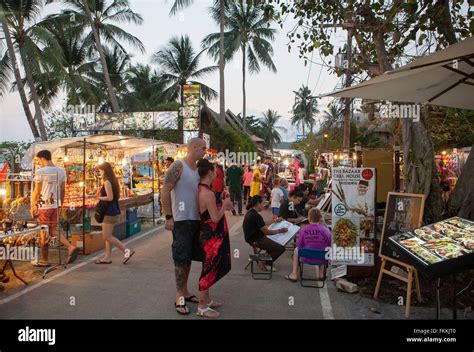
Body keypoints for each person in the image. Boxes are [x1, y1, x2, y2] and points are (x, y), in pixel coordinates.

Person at [161, 137, 207, 315]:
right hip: (181, 220)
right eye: (202, 148)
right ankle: (179, 296)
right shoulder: (178, 166)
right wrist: (168, 217)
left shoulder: (198, 169)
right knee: (180, 258)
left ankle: (186, 291)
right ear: (193, 147)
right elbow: (165, 189)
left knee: (188, 258)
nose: (205, 151)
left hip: (197, 220)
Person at [196, 159, 232, 318]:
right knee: (208, 268)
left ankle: (207, 300)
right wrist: (224, 204)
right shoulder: (207, 193)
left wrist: (222, 203)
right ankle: (201, 306)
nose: (216, 176)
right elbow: (215, 217)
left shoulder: (202, 189)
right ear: (210, 173)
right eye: (215, 173)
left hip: (210, 235)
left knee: (209, 267)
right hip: (211, 238)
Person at [31, 150, 79, 266]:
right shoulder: (61, 171)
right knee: (52, 230)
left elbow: (37, 191)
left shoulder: (40, 171)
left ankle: (44, 260)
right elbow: (63, 190)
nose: (39, 163)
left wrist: (32, 205)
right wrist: (61, 205)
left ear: (42, 158)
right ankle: (70, 247)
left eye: (38, 160)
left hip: (43, 206)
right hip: (54, 205)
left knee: (44, 232)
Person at [95, 162, 135, 265]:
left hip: (109, 211)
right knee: (108, 236)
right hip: (112, 210)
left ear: (104, 171)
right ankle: (107, 257)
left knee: (107, 236)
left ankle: (126, 250)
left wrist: (98, 197)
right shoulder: (112, 181)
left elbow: (110, 197)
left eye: (100, 170)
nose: (99, 172)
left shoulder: (107, 182)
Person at [285, 208, 331, 282]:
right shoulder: (326, 230)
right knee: (323, 249)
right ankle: (321, 274)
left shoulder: (303, 230)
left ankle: (294, 274)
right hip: (321, 258)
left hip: (306, 257)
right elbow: (329, 245)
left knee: (296, 250)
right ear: (320, 219)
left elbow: (299, 245)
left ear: (309, 218)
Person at [243, 195, 288, 271]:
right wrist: (280, 230)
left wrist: (274, 221)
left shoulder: (250, 212)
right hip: (256, 240)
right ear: (258, 203)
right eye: (262, 203)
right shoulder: (256, 216)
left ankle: (265, 259)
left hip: (251, 238)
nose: (263, 206)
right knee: (281, 248)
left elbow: (262, 223)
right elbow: (267, 232)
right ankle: (265, 263)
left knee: (275, 244)